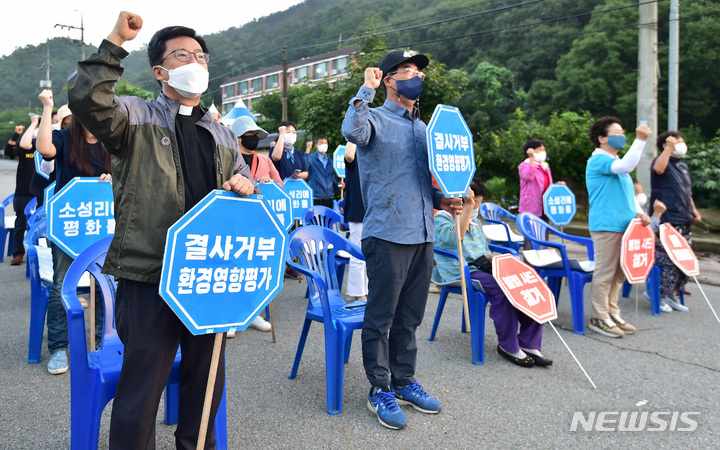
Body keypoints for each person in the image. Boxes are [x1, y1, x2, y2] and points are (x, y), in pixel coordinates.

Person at [67, 12, 256, 448]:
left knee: (206, 383)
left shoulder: (223, 134)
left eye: (201, 56)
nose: (196, 62)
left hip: (207, 278)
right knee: (141, 390)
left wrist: (247, 187)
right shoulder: (135, 117)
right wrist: (116, 41)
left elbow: (248, 191)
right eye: (183, 54)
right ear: (160, 71)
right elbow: (87, 99)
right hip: (150, 275)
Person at [341, 49, 461, 430]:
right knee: (381, 318)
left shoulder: (424, 129)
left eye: (419, 72)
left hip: (423, 231)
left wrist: (446, 200)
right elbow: (352, 132)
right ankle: (379, 389)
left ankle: (405, 381)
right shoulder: (373, 118)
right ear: (389, 79)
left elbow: (422, 181)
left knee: (410, 317)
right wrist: (365, 89)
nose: (416, 77)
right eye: (406, 70)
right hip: (387, 234)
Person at [434, 178, 551, 368]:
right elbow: (454, 239)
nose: (476, 208)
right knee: (502, 288)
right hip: (460, 270)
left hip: (481, 267)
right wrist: (467, 210)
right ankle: (508, 346)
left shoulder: (474, 221)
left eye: (478, 204)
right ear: (460, 202)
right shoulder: (442, 217)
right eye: (474, 203)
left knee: (529, 282)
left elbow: (483, 249)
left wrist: (496, 260)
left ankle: (529, 343)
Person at [36, 89, 111, 375]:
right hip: (69, 227)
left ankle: (105, 341)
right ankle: (59, 348)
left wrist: (113, 177)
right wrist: (47, 108)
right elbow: (44, 149)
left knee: (106, 285)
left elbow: (126, 173)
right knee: (60, 285)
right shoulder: (66, 138)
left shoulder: (111, 143)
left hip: (103, 226)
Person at [586, 116, 651, 338]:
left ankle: (612, 312)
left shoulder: (617, 162)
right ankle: (598, 317)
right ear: (601, 138)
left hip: (626, 226)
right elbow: (626, 165)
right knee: (605, 273)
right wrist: (640, 140)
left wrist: (640, 213)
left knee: (619, 274)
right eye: (616, 132)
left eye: (623, 132)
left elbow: (629, 195)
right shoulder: (598, 160)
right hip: (607, 225)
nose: (621, 136)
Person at [228, 115, 277, 333]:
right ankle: (229, 316)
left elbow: (280, 186)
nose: (254, 139)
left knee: (252, 268)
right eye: (250, 136)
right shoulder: (227, 157)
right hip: (232, 222)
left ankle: (251, 312)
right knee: (230, 267)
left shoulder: (265, 161)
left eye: (256, 136)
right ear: (238, 138)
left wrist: (269, 183)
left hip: (257, 221)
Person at [648, 131, 701, 312]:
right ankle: (658, 293)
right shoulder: (660, 161)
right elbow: (659, 170)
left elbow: (687, 191)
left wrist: (693, 209)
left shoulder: (683, 166)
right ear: (666, 144)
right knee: (670, 259)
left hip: (684, 217)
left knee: (686, 259)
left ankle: (672, 293)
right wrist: (669, 148)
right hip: (668, 218)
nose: (681, 144)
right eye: (676, 141)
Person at [342, 141, 368, 301]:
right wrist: (355, 132)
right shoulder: (354, 156)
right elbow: (349, 155)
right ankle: (358, 292)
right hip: (358, 210)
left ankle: (367, 289)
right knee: (358, 252)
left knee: (373, 254)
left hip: (374, 210)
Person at [4, 123, 31, 266]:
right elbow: (9, 151)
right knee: (20, 224)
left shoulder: (54, 145)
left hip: (44, 192)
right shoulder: (27, 145)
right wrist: (16, 134)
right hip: (24, 193)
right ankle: (18, 254)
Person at [306, 135, 343, 207]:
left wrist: (338, 185)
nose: (324, 145)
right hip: (316, 197)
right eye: (321, 143)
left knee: (329, 218)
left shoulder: (331, 161)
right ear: (316, 145)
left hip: (329, 197)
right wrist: (308, 149)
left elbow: (331, 181)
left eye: (326, 143)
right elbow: (303, 166)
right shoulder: (311, 158)